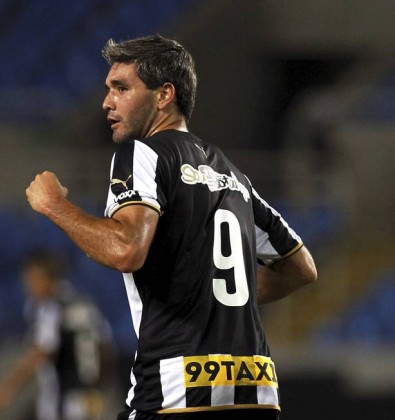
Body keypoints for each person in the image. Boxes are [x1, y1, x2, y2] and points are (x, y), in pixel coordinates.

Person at [25, 35, 317, 420]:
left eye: (121, 88)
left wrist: (54, 206)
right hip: (255, 389)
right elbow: (302, 268)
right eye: (108, 89)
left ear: (164, 95)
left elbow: (126, 249)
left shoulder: (143, 153)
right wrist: (208, 295)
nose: (106, 102)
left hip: (177, 386)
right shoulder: (232, 174)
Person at [0, 251, 112, 420]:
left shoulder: (50, 307)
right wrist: (98, 386)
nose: (29, 286)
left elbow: (42, 351)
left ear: (47, 279)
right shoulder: (85, 304)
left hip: (64, 398)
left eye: (32, 280)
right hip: (90, 397)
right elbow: (105, 348)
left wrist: (6, 390)